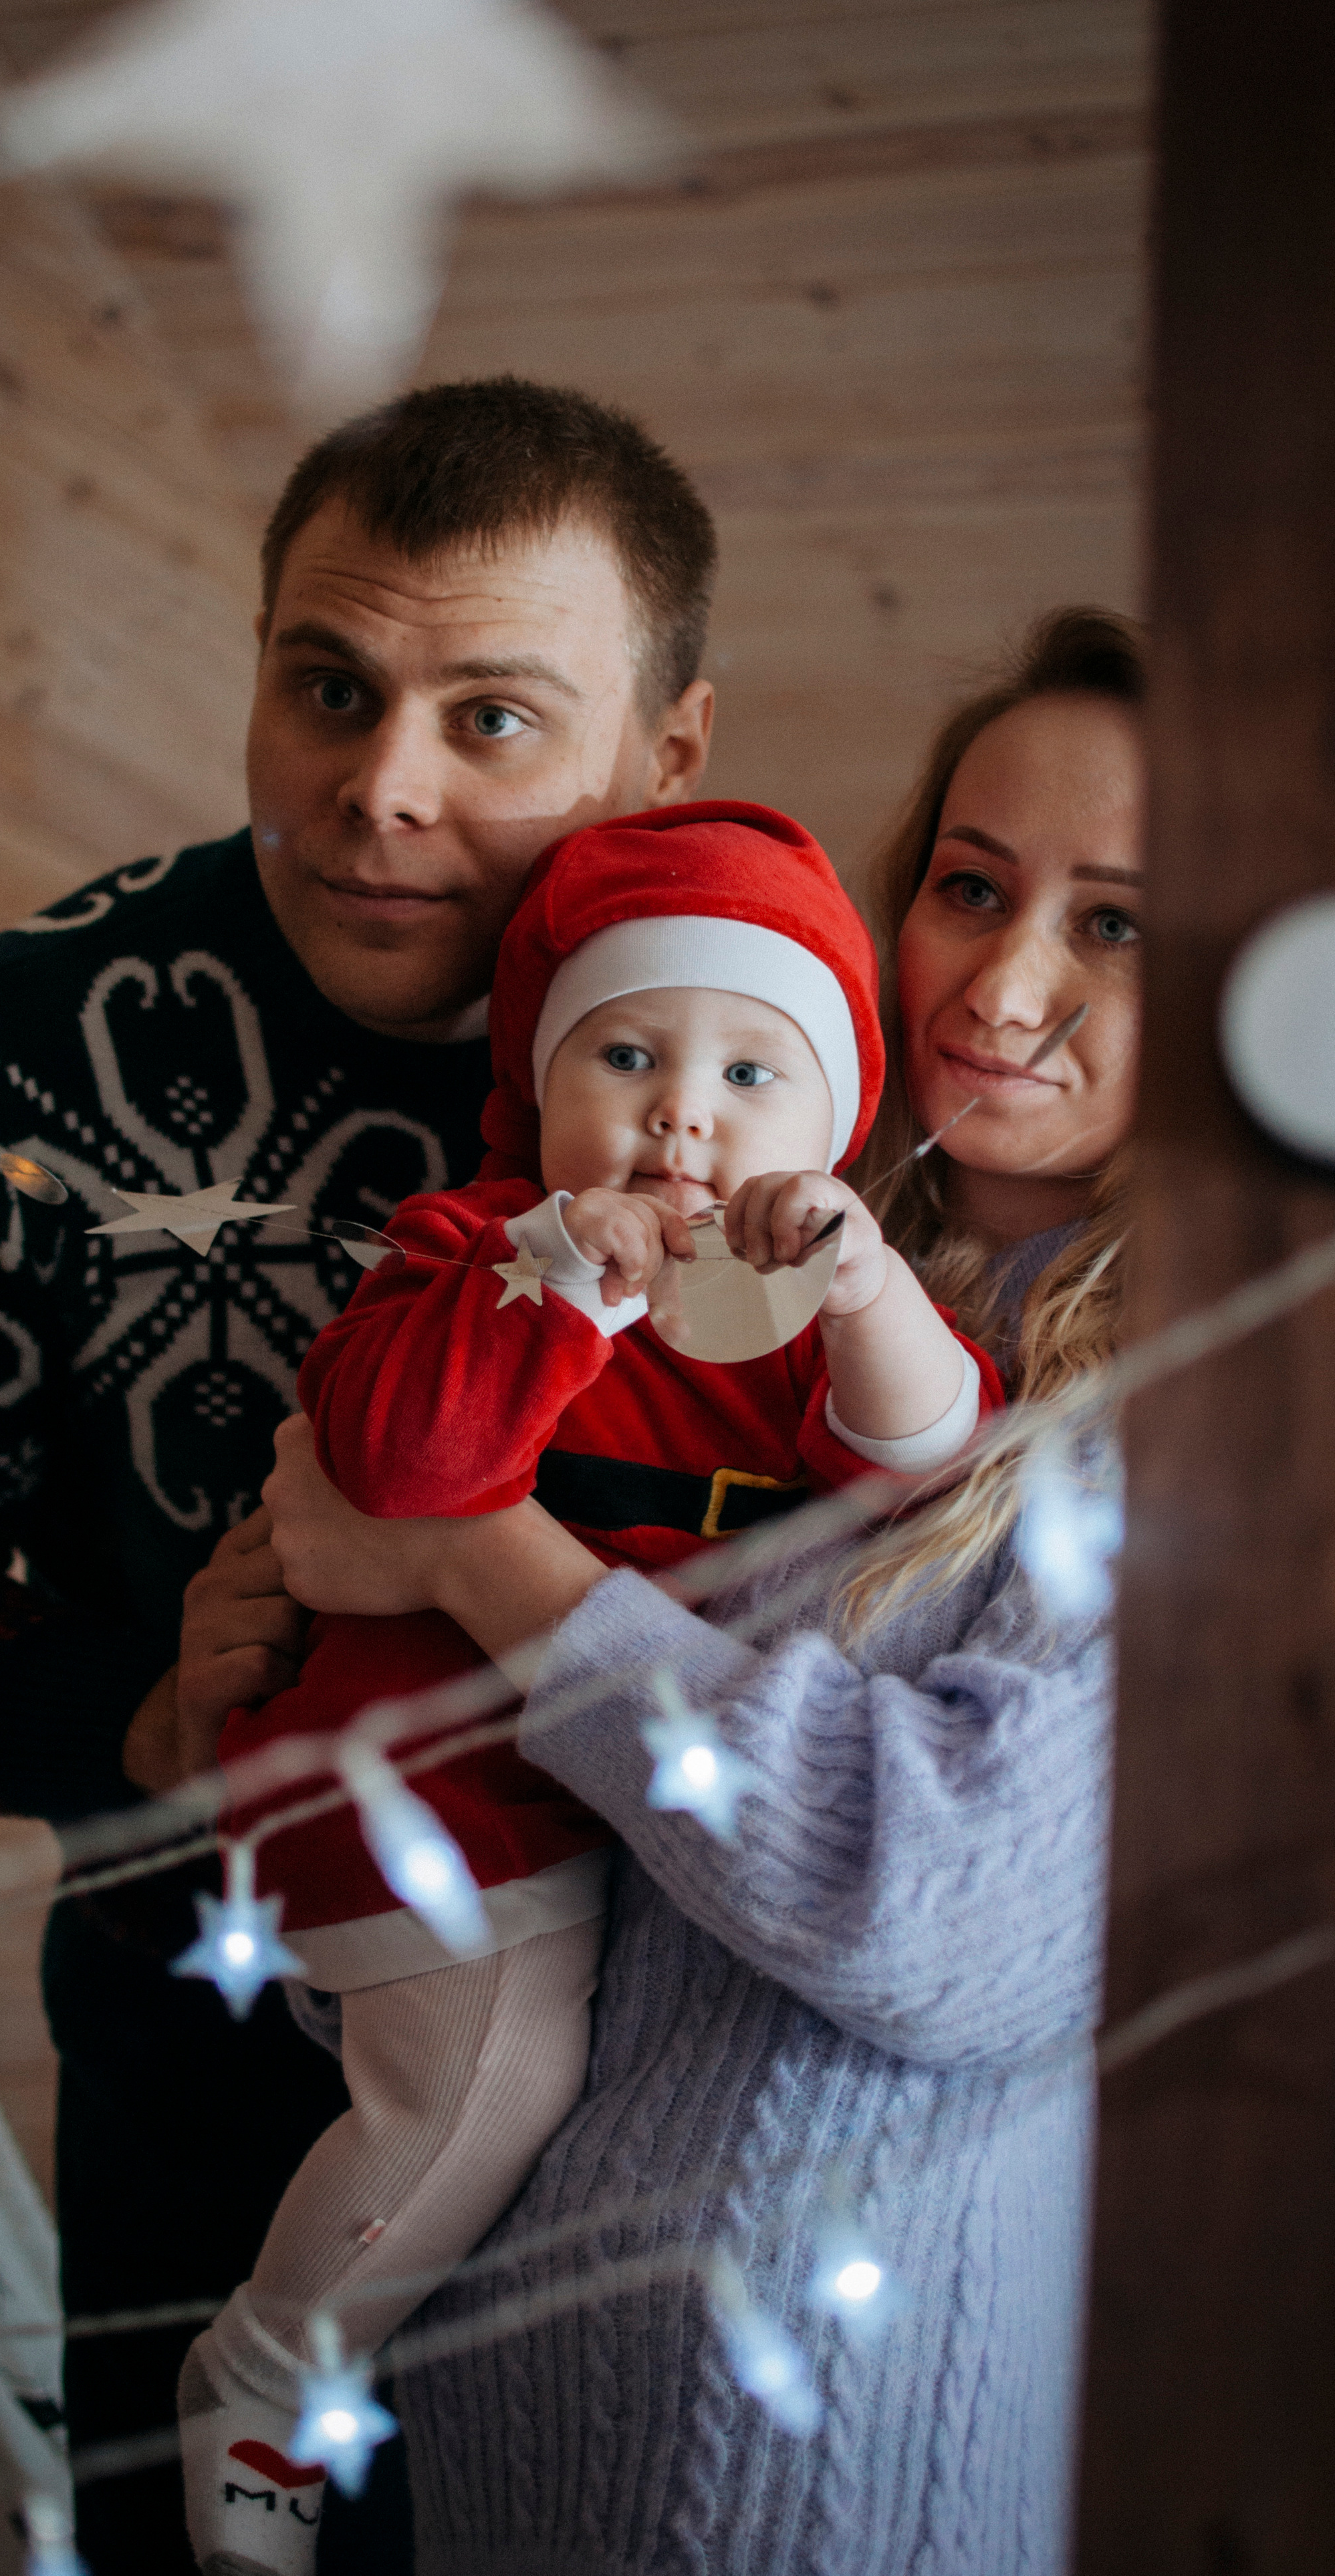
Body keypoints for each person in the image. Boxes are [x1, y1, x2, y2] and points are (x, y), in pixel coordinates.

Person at [0, 376, 717, 2570]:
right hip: (209, 2089)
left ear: (667, 758)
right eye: (327, 689)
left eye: (492, 721)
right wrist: (137, 1716)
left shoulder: (793, 1057)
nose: (380, 789)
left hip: (682, 2127)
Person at [259, 607, 1144, 2573]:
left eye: (1120, 925)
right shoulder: (733, 1286)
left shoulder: (1201, 1420)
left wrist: (469, 1549)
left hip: (815, 2471)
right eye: (973, 884)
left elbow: (933, 1912)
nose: (1006, 982)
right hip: (510, 2422)